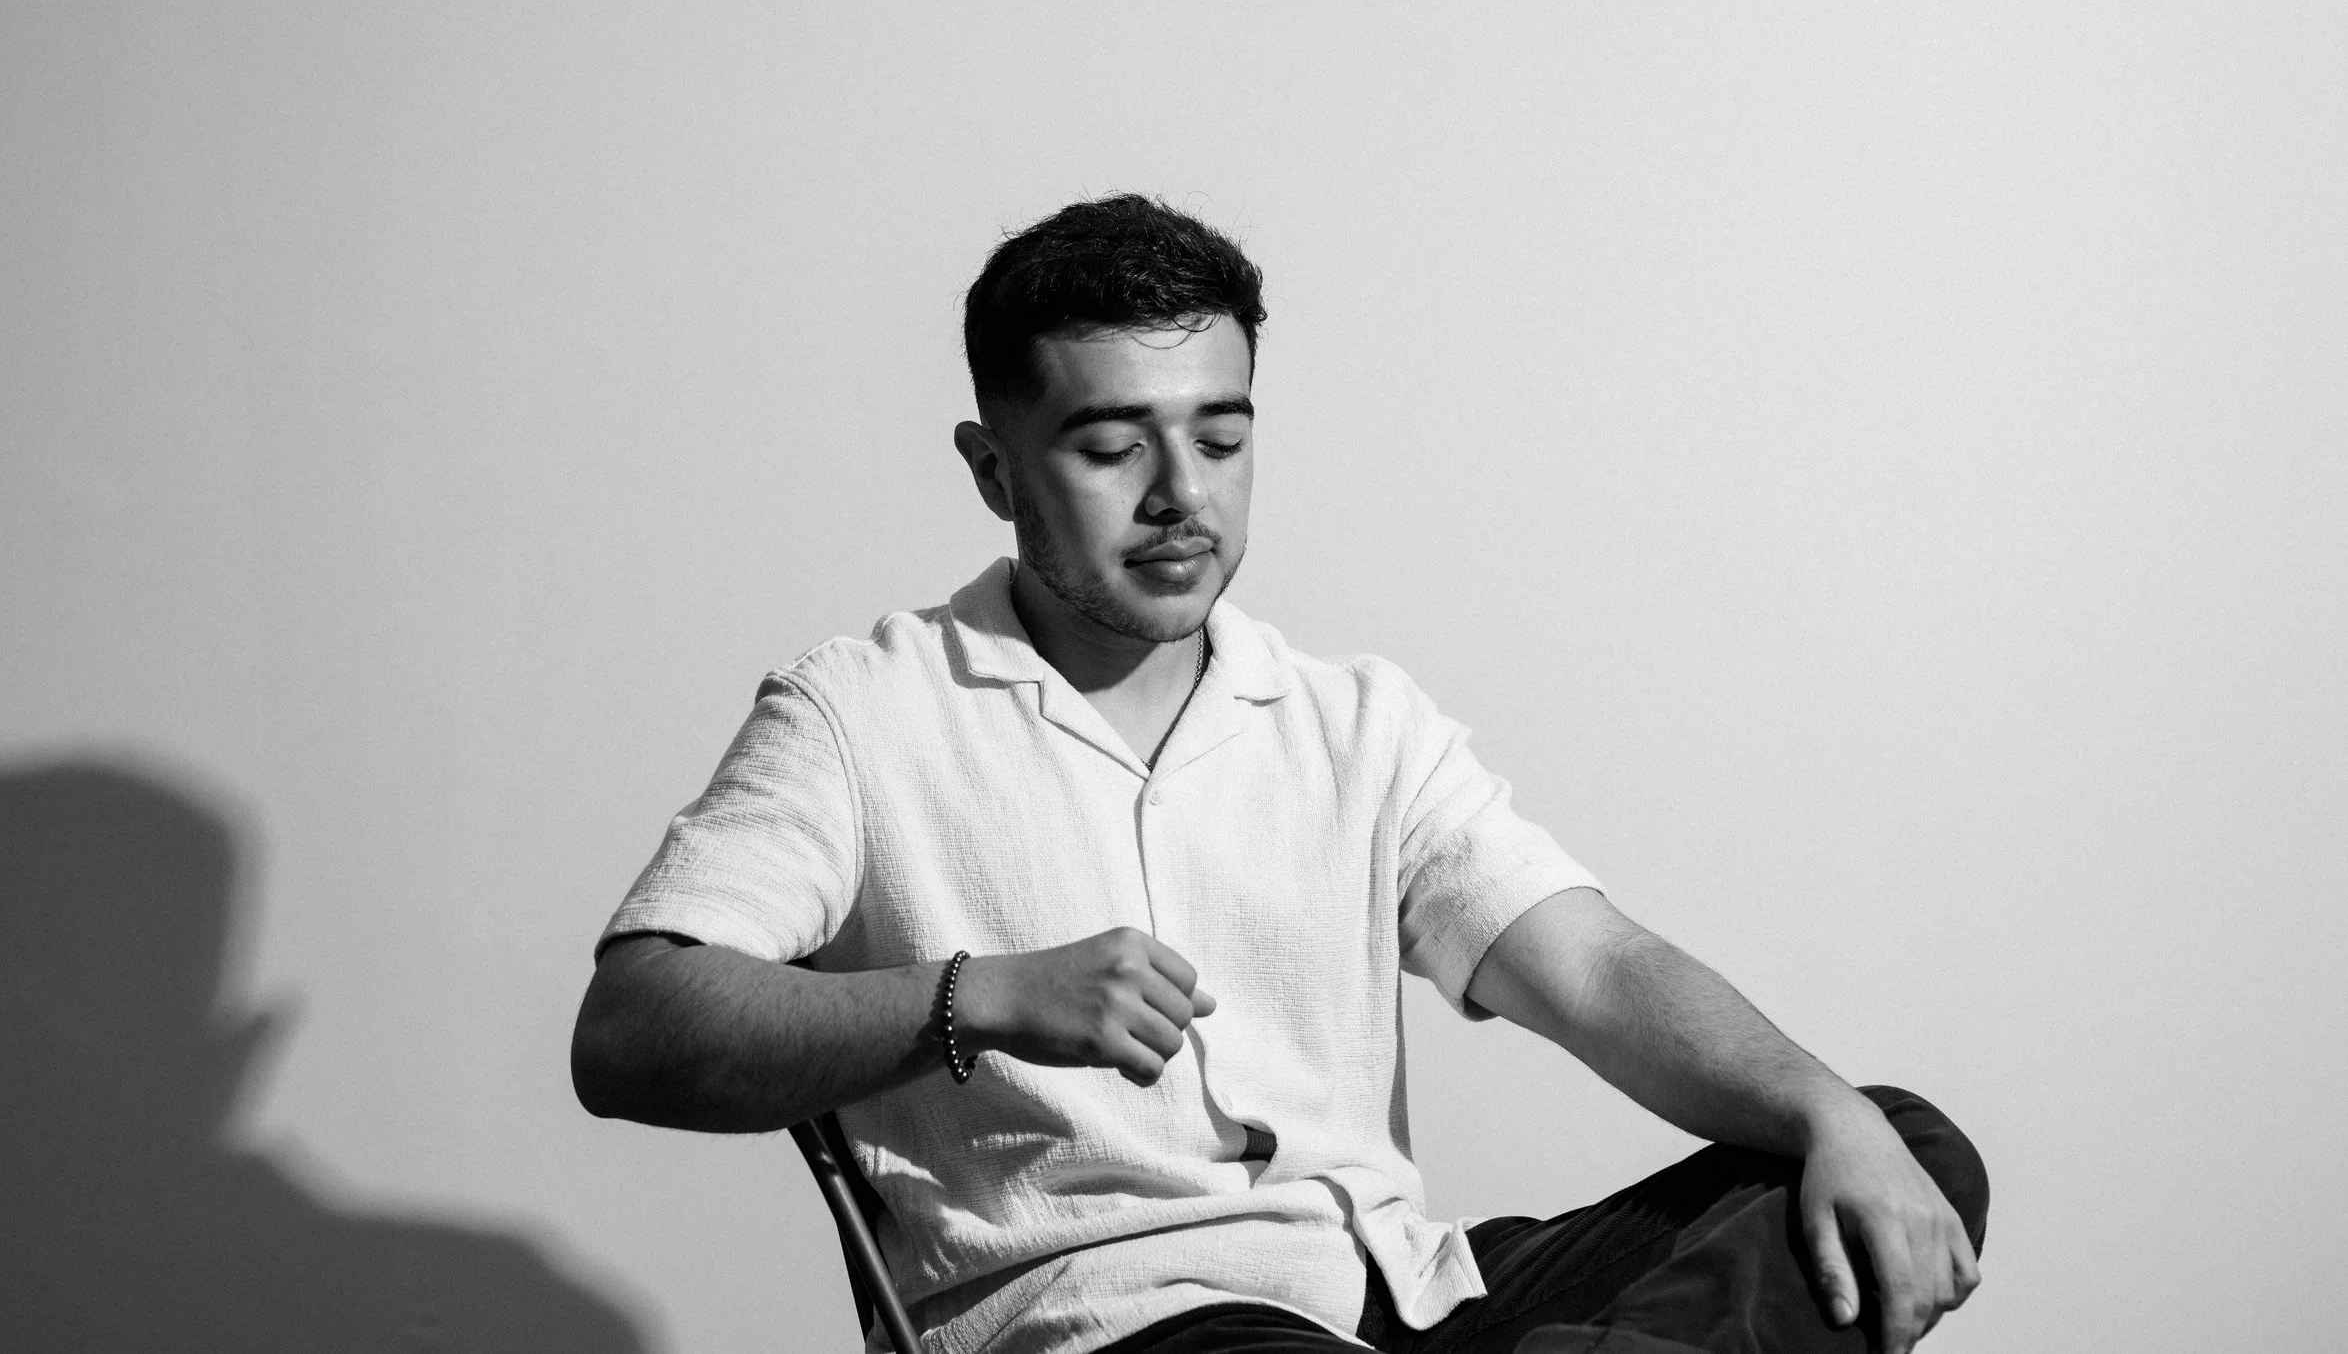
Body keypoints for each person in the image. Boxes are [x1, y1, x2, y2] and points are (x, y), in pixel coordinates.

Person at [571, 196, 1986, 1354]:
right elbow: (632, 1026)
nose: (1183, 492)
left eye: (1223, 433)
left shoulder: (1351, 721)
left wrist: (1828, 1114)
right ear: (993, 470)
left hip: (1398, 1298)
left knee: (1889, 1160)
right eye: (1112, 444)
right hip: (1113, 1324)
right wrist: (980, 997)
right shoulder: (865, 713)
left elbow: (1598, 972)